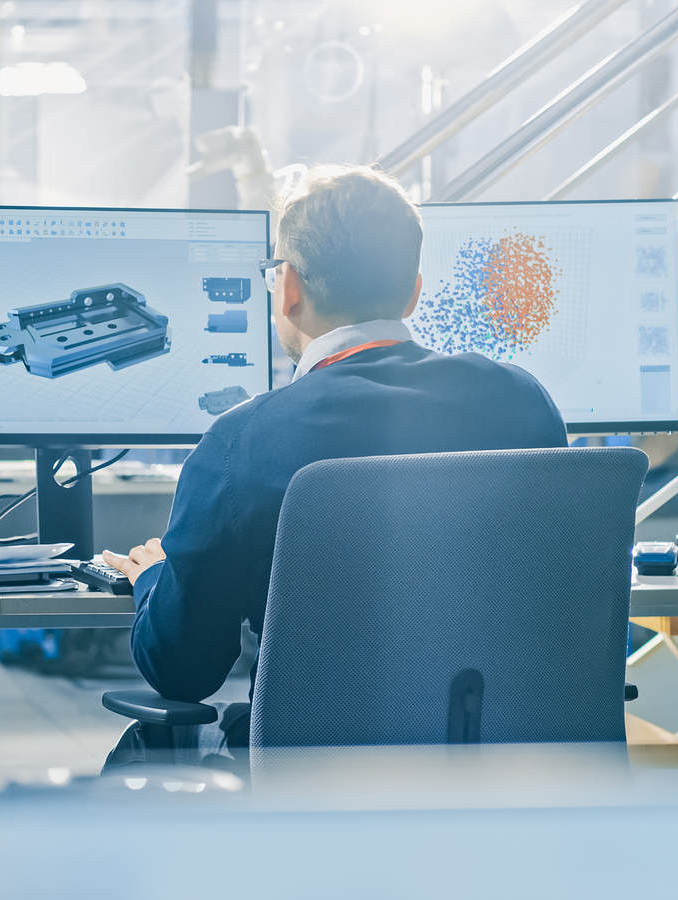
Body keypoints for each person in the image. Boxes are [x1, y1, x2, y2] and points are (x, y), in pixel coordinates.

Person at [100, 164, 569, 773]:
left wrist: (153, 581)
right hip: (516, 777)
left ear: (289, 288)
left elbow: (184, 670)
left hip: (312, 786)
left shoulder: (241, 442)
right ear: (414, 291)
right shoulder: (524, 405)